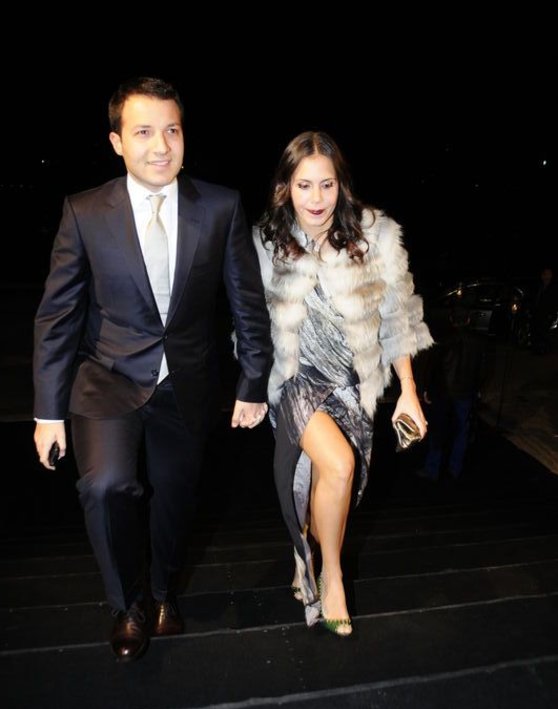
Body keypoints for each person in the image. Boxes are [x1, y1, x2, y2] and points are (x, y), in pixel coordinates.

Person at [33, 77, 272, 662]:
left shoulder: (220, 206)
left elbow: (247, 302)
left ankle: (164, 590)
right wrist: (47, 412)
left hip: (187, 381)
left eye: (172, 130)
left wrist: (252, 381)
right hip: (106, 376)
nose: (161, 145)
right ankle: (128, 606)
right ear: (117, 141)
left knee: (176, 499)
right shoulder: (85, 211)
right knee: (106, 485)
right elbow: (58, 316)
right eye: (143, 132)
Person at [253, 131, 432, 636]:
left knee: (325, 485)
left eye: (326, 184)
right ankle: (331, 577)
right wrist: (248, 386)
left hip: (352, 384)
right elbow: (249, 321)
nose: (316, 199)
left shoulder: (376, 236)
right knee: (338, 464)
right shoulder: (266, 241)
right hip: (295, 381)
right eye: (304, 185)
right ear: (285, 187)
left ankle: (303, 553)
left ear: (341, 184)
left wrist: (408, 390)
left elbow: (398, 317)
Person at [416, 306, 486, 481]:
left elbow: (433, 367)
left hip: (443, 392)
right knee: (462, 431)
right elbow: (481, 370)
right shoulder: (478, 342)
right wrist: (477, 389)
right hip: (465, 392)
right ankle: (455, 468)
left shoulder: (443, 340)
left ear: (451, 319)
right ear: (468, 319)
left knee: (438, 430)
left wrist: (426, 389)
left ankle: (432, 469)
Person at [530, 266, 558, 355]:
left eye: (549, 274)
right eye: (545, 274)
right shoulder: (540, 287)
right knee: (536, 332)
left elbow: (554, 302)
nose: (547, 276)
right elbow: (536, 300)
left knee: (545, 333)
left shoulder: (553, 288)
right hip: (537, 314)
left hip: (548, 315)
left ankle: (545, 350)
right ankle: (537, 349)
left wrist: (551, 314)